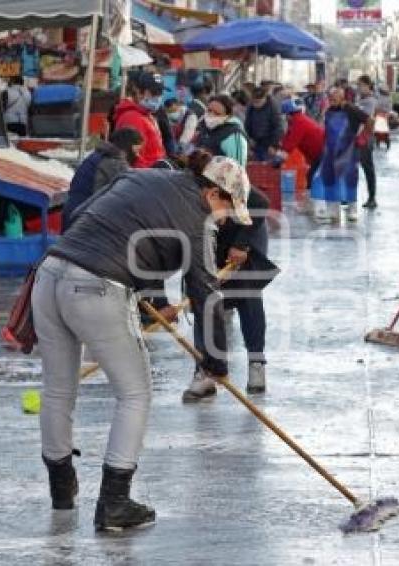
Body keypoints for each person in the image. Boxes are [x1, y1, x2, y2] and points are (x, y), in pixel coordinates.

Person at [33, 153, 250, 531]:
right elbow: (206, 292)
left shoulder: (140, 177)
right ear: (214, 193)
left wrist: (135, 272)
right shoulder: (199, 222)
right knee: (135, 393)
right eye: (229, 208)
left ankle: (62, 492)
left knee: (57, 390)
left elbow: (82, 213)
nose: (228, 218)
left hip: (49, 274)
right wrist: (214, 361)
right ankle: (115, 503)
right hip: (97, 288)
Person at [185, 159, 274, 400]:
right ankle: (204, 371)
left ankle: (256, 363)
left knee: (248, 295)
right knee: (202, 298)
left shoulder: (224, 177)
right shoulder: (187, 193)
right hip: (211, 238)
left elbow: (261, 204)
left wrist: (241, 244)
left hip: (245, 232)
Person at [310, 87, 372, 224]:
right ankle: (332, 211)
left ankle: (352, 210)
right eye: (330, 97)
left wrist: (363, 137)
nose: (331, 100)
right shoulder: (328, 111)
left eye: (335, 97)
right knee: (330, 179)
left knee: (349, 180)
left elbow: (370, 120)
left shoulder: (351, 109)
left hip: (348, 151)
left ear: (342, 98)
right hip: (330, 152)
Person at [62, 128, 143, 230]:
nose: (138, 155)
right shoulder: (114, 162)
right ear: (128, 147)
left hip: (72, 214)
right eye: (136, 150)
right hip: (83, 222)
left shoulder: (98, 155)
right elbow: (127, 196)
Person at [113, 73, 166, 168]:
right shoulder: (132, 118)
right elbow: (132, 159)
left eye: (160, 93)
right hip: (144, 177)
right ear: (138, 92)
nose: (158, 97)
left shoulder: (147, 115)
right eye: (153, 93)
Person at [277, 98, 325, 191]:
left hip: (324, 151)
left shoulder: (299, 122)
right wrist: (280, 150)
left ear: (288, 114)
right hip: (322, 152)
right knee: (312, 176)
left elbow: (291, 143)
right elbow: (287, 138)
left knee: (313, 177)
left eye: (284, 115)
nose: (284, 117)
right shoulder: (297, 121)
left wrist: (279, 158)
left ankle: (313, 200)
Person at [197, 94, 249, 166]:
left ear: (227, 115)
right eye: (209, 111)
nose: (211, 115)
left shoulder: (234, 134)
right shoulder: (204, 127)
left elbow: (238, 167)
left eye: (217, 113)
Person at [356, 75, 378, 209]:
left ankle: (372, 198)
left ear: (367, 85)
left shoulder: (370, 101)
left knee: (368, 168)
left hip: (366, 137)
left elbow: (364, 119)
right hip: (359, 138)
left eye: (360, 85)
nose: (358, 88)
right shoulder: (361, 99)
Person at [245, 87, 283, 162]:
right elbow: (247, 124)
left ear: (265, 98)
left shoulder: (273, 107)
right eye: (254, 102)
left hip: (268, 144)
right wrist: (248, 139)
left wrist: (273, 145)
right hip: (255, 144)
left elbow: (278, 127)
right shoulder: (250, 107)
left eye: (258, 102)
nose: (256, 104)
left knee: (267, 167)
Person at [179, 82, 212, 154]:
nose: (209, 96)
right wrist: (183, 151)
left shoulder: (188, 107)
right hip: (191, 149)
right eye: (209, 93)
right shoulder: (197, 110)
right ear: (204, 92)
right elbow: (187, 135)